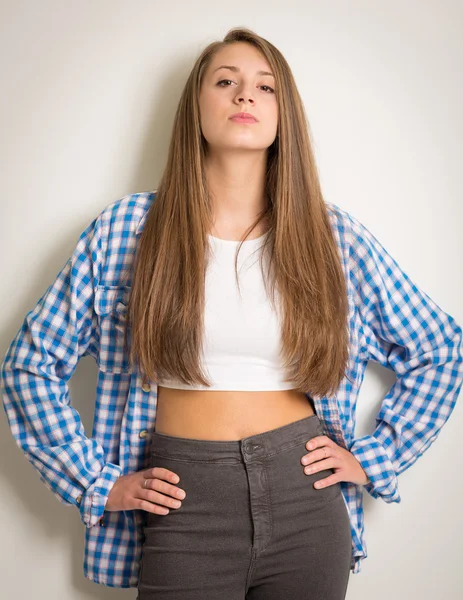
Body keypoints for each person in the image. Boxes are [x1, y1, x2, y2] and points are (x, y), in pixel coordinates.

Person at [1, 27, 462, 600]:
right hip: (184, 497)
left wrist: (375, 457)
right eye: (227, 81)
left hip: (307, 500)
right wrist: (96, 483)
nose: (246, 95)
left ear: (282, 115)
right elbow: (29, 366)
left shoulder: (333, 237)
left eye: (265, 87)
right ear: (196, 108)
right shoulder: (126, 232)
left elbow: (440, 348)